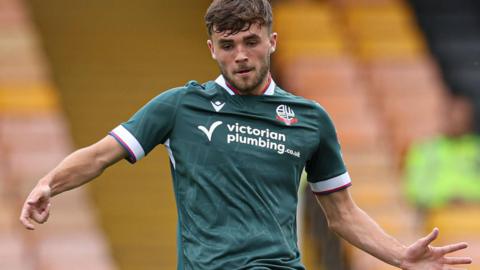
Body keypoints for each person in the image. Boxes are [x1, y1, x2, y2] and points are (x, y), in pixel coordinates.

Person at [20, 0, 472, 269]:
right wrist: (48, 184)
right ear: (212, 48)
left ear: (272, 41)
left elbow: (342, 214)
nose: (240, 55)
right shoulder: (180, 106)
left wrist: (399, 255)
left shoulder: (309, 119)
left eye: (251, 41)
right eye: (228, 44)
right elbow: (100, 154)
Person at [405, 94, 480, 210]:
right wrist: (445, 197)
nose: (457, 122)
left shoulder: (476, 149)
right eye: (452, 117)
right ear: (443, 117)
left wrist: (466, 195)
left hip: (473, 213)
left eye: (461, 117)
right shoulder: (425, 150)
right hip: (437, 213)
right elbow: (414, 189)